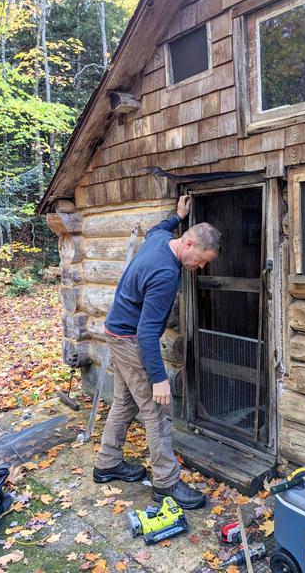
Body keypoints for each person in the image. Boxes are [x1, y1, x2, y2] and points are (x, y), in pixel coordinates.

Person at [92, 196, 221, 510]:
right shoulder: (165, 275)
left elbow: (157, 228)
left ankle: (107, 463)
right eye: (202, 259)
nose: (201, 266)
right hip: (128, 338)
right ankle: (166, 483)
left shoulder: (162, 239)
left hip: (116, 331)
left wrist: (177, 215)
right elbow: (147, 334)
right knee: (157, 410)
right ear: (188, 243)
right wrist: (160, 379)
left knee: (124, 402)